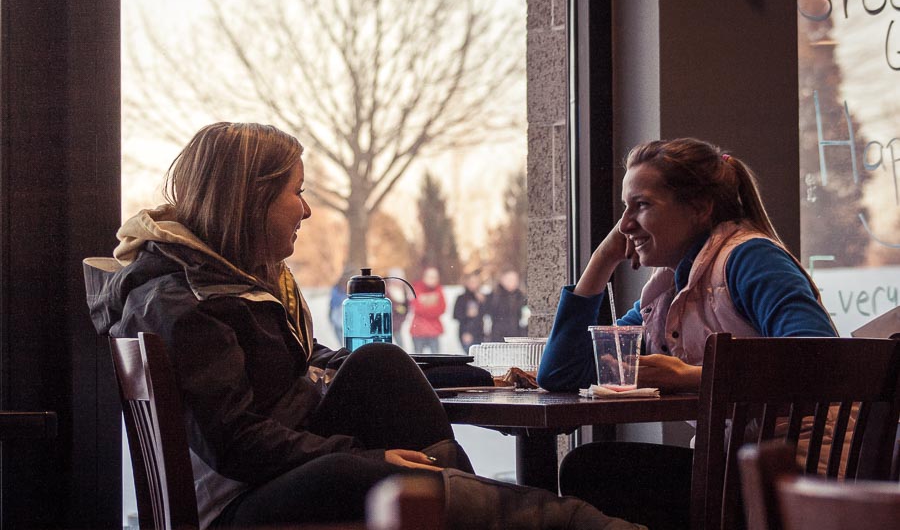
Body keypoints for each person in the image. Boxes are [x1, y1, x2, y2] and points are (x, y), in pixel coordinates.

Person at [85, 122, 640, 530]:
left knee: (380, 364)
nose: (305, 211)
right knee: (407, 466)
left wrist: (450, 373)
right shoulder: (189, 301)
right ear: (252, 201)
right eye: (296, 192)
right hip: (238, 501)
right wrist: (364, 457)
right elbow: (237, 443)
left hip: (268, 478)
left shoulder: (227, 285)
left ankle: (498, 506)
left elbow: (304, 367)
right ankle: (578, 524)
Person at [536, 137, 838, 530]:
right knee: (591, 467)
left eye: (641, 205)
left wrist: (686, 376)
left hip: (804, 475)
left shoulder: (750, 258)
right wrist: (603, 258)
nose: (625, 224)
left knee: (596, 472)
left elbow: (820, 362)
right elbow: (562, 374)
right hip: (730, 471)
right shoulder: (667, 290)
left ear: (699, 208)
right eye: (624, 210)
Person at [409, 266, 446, 354]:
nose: (433, 280)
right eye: (430, 277)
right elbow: (417, 308)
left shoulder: (439, 290)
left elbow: (442, 308)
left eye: (435, 277)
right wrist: (432, 308)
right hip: (418, 330)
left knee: (436, 356)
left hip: (434, 331)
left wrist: (427, 308)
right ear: (424, 277)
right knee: (417, 357)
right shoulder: (417, 288)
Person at [486, 269, 529, 340]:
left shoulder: (521, 296)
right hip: (498, 338)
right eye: (509, 279)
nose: (513, 282)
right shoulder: (494, 296)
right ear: (502, 279)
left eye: (515, 279)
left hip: (518, 338)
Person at [453, 272, 486, 352]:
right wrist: (467, 314)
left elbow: (488, 314)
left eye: (476, 282)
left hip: (480, 334)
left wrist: (484, 302)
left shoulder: (482, 297)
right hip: (466, 333)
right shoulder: (461, 298)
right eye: (471, 282)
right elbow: (455, 315)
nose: (473, 284)